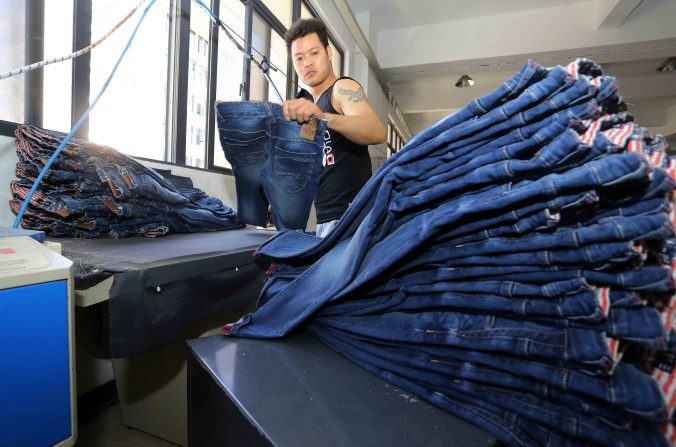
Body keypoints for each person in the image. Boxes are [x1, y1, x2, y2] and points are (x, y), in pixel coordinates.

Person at [282, 18, 387, 238]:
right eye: (299, 58)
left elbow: (377, 130)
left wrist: (324, 117)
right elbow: (312, 163)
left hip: (352, 217)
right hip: (325, 220)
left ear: (329, 53)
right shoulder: (309, 104)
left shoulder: (341, 88)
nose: (307, 63)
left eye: (314, 53)